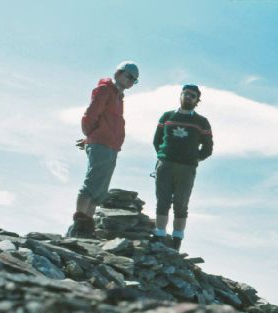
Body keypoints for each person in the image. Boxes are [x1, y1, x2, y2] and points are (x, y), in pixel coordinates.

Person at [67, 61, 139, 238]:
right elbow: (91, 114)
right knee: (91, 185)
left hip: (111, 146)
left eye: (134, 80)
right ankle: (78, 225)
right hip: (102, 144)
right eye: (129, 76)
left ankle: (87, 227)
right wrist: (92, 135)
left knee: (99, 190)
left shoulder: (118, 97)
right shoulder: (105, 90)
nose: (131, 81)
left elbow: (107, 121)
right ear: (118, 73)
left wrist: (91, 137)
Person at [151, 84, 213, 251]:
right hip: (165, 165)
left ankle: (176, 241)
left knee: (181, 204)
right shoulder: (167, 116)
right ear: (180, 95)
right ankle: (159, 236)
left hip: (187, 168)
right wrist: (163, 156)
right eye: (185, 93)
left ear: (197, 100)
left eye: (192, 95)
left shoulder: (202, 122)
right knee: (162, 201)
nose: (188, 97)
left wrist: (193, 159)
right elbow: (157, 141)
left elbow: (208, 149)